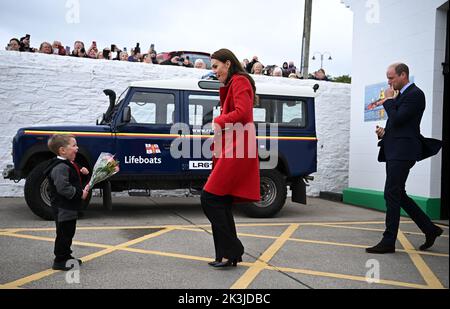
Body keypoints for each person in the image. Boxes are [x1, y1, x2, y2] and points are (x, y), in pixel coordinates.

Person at [366, 63, 443, 254]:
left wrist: (388, 100)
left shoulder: (415, 94)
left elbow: (399, 118)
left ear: (403, 75)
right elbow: (399, 125)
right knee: (398, 194)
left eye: (391, 78)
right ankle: (430, 229)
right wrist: (385, 133)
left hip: (403, 152)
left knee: (391, 193)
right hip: (395, 149)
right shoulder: (402, 96)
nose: (389, 82)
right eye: (388, 78)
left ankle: (388, 240)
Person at [201, 48, 260, 268]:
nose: (214, 71)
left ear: (228, 63)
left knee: (210, 198)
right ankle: (227, 256)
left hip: (238, 147)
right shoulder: (232, 84)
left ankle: (233, 249)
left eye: (216, 66)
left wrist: (218, 120)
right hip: (232, 146)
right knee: (221, 201)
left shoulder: (240, 81)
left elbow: (243, 113)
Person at [45, 134, 90, 270]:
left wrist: (83, 173)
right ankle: (60, 260)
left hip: (68, 207)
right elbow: (63, 187)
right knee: (64, 234)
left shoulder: (67, 163)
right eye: (74, 145)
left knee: (69, 233)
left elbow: (72, 174)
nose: (77, 148)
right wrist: (80, 193)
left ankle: (66, 256)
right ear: (62, 150)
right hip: (63, 208)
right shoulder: (60, 167)